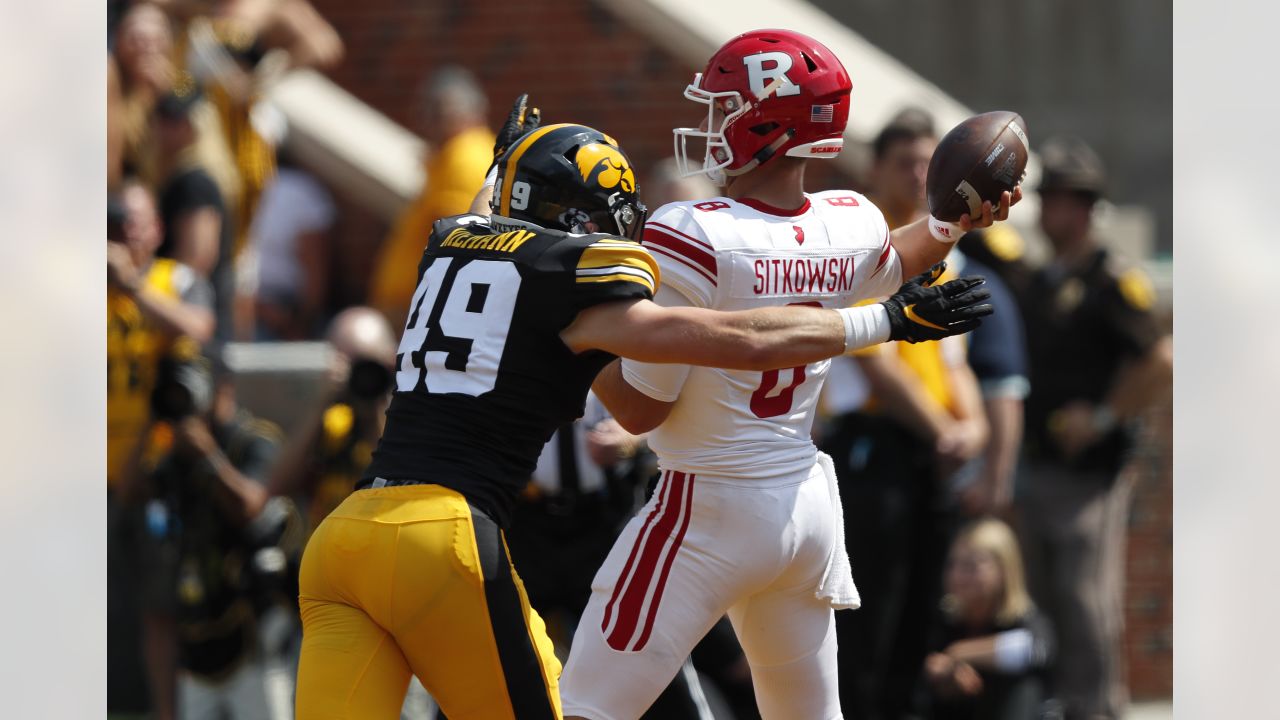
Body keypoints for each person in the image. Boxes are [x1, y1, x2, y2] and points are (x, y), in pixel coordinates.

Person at [293, 107, 998, 718]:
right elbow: (739, 338)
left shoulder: (450, 240)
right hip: (441, 536)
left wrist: (511, 163)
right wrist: (879, 323)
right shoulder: (575, 280)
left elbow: (508, 230)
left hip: (343, 538)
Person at [558, 30, 1017, 720]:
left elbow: (643, 411)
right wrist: (954, 223)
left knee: (585, 708)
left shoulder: (692, 233)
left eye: (725, 108)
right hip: (802, 510)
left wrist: (576, 338)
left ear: (768, 125)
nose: (711, 124)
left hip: (705, 507)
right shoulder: (847, 219)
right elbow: (899, 259)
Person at [1013, 136, 1172, 720]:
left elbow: (1160, 360)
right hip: (1038, 463)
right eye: (1046, 197)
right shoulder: (1040, 278)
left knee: (1086, 597)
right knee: (1045, 596)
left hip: (1090, 473)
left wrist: (1103, 416)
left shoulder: (1113, 281)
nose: (1048, 210)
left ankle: (1100, 707)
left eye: (1058, 199)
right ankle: (1061, 702)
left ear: (1083, 208)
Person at [129, 355, 299, 720]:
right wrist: (153, 418)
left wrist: (208, 455)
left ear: (224, 388)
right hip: (198, 637)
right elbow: (130, 492)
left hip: (253, 636)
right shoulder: (175, 453)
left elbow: (251, 506)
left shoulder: (254, 439)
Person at [108, 177, 216, 719]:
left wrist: (130, 286)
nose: (124, 233)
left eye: (134, 221)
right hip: (91, 474)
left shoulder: (177, 279)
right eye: (114, 222)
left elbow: (199, 327)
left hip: (160, 470)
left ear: (157, 227)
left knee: (159, 610)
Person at [369, 65, 497, 327]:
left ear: (468, 111)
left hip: (428, 311)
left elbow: (457, 240)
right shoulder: (453, 154)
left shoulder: (465, 155)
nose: (424, 121)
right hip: (420, 308)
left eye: (436, 112)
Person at [919, 518, 1055, 720]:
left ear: (1004, 570)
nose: (958, 575)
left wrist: (958, 654)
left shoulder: (1024, 618)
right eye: (953, 564)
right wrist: (942, 673)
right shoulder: (946, 619)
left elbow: (1036, 651)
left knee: (1023, 683)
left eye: (971, 566)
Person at [152, 79, 237, 342]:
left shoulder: (194, 182)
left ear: (198, 126)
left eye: (176, 120)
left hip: (195, 327)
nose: (164, 128)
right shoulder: (186, 176)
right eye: (163, 117)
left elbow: (196, 260)